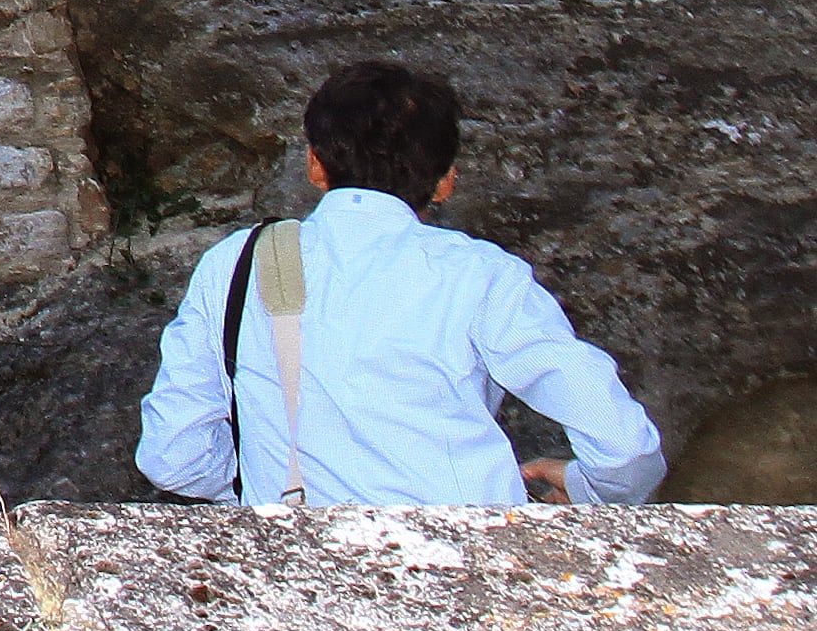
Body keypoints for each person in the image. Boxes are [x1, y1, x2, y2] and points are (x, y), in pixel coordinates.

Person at [137, 57, 663, 506]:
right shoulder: (479, 274)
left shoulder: (239, 263)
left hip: (297, 569)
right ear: (446, 182)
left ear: (314, 165)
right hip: (468, 564)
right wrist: (590, 488)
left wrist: (262, 487)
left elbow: (172, 455)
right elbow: (623, 443)